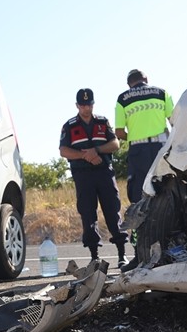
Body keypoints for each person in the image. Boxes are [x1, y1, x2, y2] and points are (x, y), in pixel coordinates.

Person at [59, 88, 126, 266]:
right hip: (83, 175)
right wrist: (85, 155)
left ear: (93, 104)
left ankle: (121, 254)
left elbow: (115, 143)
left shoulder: (103, 122)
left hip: (104, 172)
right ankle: (94, 255)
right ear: (77, 105)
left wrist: (96, 151)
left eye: (88, 104)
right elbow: (63, 150)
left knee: (113, 211)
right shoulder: (70, 125)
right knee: (88, 214)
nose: (86, 108)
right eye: (82, 105)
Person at [115, 69, 175, 209]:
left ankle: (139, 228)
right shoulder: (161, 93)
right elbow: (174, 121)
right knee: (166, 185)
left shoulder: (123, 99)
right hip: (161, 148)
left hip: (138, 151)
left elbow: (119, 132)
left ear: (129, 84)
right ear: (146, 80)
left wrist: (133, 137)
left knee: (139, 189)